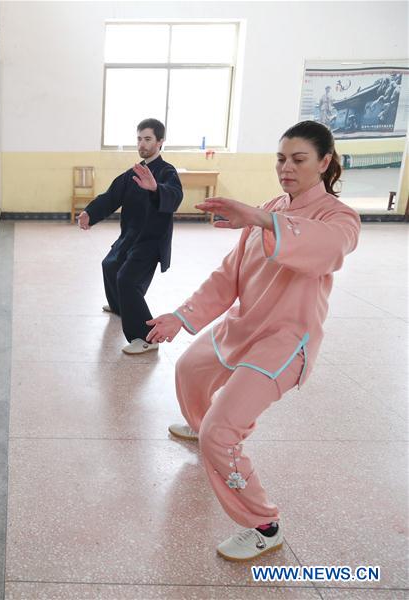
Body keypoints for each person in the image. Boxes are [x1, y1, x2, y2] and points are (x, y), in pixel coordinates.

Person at [145, 121, 360, 561]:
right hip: (245, 325)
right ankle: (204, 427)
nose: (286, 167)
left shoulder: (340, 218)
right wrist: (181, 317)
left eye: (298, 160)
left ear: (324, 162)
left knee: (222, 435)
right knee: (189, 369)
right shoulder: (270, 206)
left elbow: (328, 250)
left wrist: (263, 218)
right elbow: (229, 276)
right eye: (281, 158)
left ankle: (264, 524)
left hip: (284, 342)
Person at [77, 118, 183, 354]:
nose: (142, 144)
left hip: (151, 241)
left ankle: (146, 338)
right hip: (130, 237)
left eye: (148, 139)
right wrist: (89, 213)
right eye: (139, 139)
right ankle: (120, 307)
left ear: (160, 142)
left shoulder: (167, 172)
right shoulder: (133, 173)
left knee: (127, 279)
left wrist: (156, 188)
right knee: (109, 264)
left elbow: (175, 197)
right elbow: (111, 196)